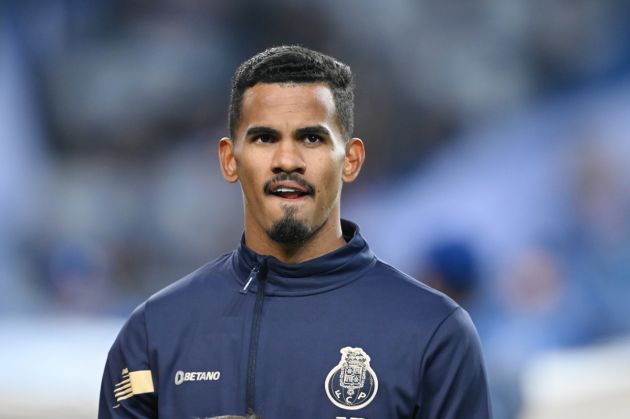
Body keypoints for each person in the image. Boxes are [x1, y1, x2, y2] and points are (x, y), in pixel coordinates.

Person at [99, 45, 492, 419]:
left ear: (351, 160)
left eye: (311, 138)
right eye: (265, 138)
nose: (287, 160)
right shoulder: (153, 334)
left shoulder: (434, 333)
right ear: (229, 159)